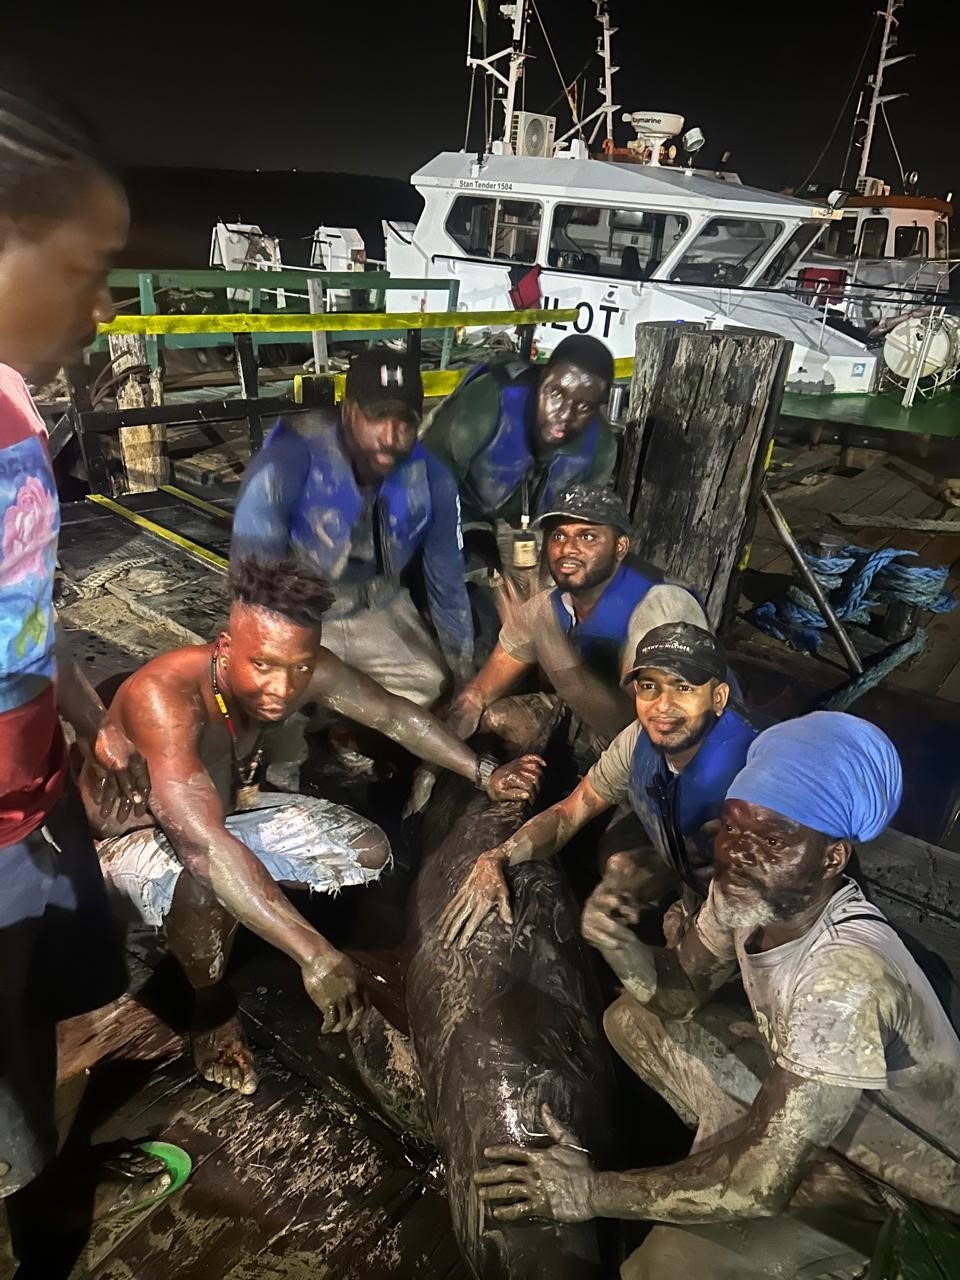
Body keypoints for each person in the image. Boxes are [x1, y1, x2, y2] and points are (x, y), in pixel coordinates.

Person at [474, 713, 960, 1280]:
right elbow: (679, 997)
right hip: (824, 1114)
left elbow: (761, 1184)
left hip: (902, 1191)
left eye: (775, 839)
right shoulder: (749, 894)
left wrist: (586, 1192)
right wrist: (618, 944)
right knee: (631, 1021)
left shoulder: (844, 976)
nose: (741, 853)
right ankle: (725, 1150)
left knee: (659, 1268)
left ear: (832, 858)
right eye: (734, 826)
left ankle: (782, 1213)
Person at [84, 556, 542, 1097]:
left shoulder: (300, 669)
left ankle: (246, 911)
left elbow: (395, 716)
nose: (282, 687)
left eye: (299, 667)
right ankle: (209, 1004)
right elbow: (204, 848)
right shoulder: (165, 698)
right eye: (263, 665)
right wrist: (315, 954)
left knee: (365, 851)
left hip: (214, 819)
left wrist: (483, 772)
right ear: (225, 646)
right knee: (206, 883)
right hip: (119, 848)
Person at [0, 73, 177, 1215]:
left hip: (22, 797)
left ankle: (34, 1179)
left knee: (27, 1007)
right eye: (83, 267)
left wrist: (75, 709)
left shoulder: (18, 416)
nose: (105, 306)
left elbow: (19, 614)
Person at [440, 622, 759, 950]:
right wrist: (498, 857)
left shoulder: (752, 772)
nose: (663, 705)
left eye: (684, 688)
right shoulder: (638, 742)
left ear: (718, 697)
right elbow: (570, 813)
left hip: (758, 915)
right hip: (695, 876)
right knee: (619, 869)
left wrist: (695, 929)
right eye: (650, 686)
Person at [230, 345, 472, 708]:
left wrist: (465, 676)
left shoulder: (433, 479)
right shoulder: (285, 461)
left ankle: (337, 722)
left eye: (405, 421)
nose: (391, 436)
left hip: (377, 609)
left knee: (431, 686)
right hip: (298, 612)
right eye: (377, 416)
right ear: (348, 411)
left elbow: (448, 586)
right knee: (267, 699)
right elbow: (249, 582)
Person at [448, 485, 707, 748]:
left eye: (587, 537)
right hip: (595, 729)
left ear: (620, 548)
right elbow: (477, 695)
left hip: (671, 751)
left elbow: (647, 727)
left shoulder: (660, 607)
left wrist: (554, 651)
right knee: (496, 718)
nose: (568, 548)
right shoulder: (548, 607)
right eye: (558, 536)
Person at [422, 335, 617, 536]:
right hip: (454, 522)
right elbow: (423, 480)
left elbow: (580, 528)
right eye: (556, 393)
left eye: (585, 406)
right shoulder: (490, 400)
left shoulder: (600, 449)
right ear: (541, 376)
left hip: (528, 542)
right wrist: (465, 537)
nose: (565, 415)